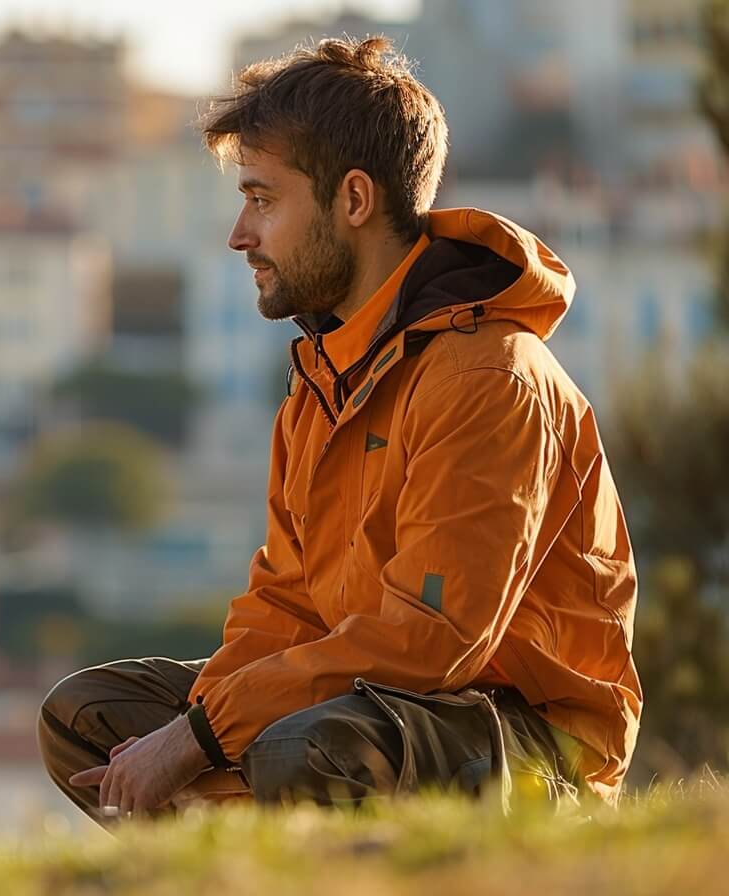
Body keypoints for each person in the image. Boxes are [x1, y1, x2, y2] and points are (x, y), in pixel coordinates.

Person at [37, 35, 641, 824]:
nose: (239, 235)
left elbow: (434, 640)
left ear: (354, 201)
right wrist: (194, 727)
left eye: (262, 199)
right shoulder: (325, 375)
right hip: (361, 703)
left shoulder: (487, 377)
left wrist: (199, 739)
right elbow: (284, 602)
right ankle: (229, 873)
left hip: (529, 739)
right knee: (86, 716)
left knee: (306, 749)